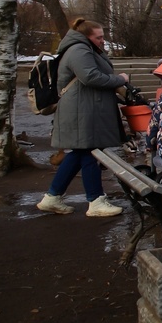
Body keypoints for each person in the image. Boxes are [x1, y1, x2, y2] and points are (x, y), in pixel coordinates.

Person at [36, 18, 129, 217]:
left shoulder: (82, 48)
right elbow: (90, 77)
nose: (103, 41)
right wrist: (120, 79)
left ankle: (52, 197)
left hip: (84, 109)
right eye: (99, 37)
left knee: (81, 152)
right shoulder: (79, 50)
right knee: (90, 153)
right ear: (86, 37)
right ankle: (96, 201)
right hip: (83, 111)